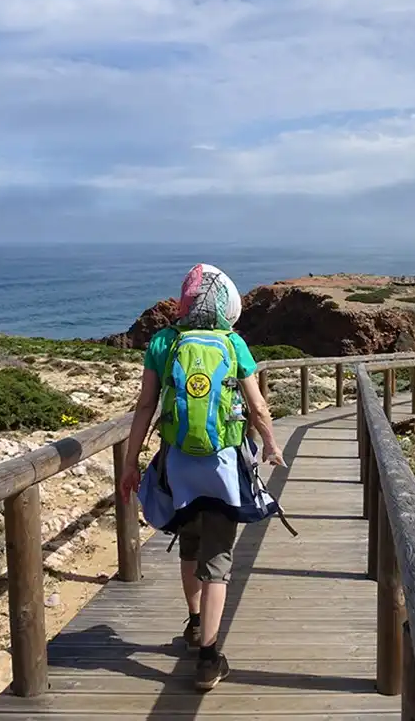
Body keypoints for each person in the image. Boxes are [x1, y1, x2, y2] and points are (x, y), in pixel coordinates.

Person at [119, 263, 285, 692]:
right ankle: (209, 658)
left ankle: (194, 625)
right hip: (225, 469)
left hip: (178, 468)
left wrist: (130, 462)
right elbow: (258, 407)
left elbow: (144, 407)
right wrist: (270, 445)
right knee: (218, 559)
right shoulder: (233, 343)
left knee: (189, 545)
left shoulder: (162, 342)